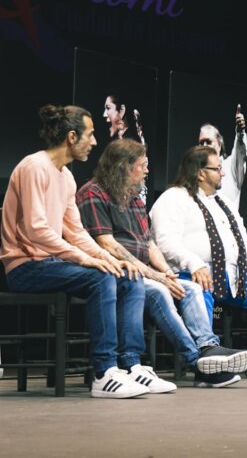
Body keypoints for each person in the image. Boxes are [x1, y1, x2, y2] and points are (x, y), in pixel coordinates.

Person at [77, 139, 247, 388]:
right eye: (143, 165)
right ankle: (198, 363)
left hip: (143, 272)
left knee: (191, 287)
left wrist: (167, 272)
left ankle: (208, 346)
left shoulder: (135, 199)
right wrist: (158, 277)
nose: (147, 170)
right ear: (123, 167)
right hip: (115, 272)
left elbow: (149, 244)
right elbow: (107, 244)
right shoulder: (93, 192)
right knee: (161, 291)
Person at [1, 105, 152, 398]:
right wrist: (85, 259)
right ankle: (103, 372)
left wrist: (107, 258)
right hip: (25, 267)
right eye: (91, 134)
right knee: (99, 278)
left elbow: (76, 231)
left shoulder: (66, 177)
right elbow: (37, 230)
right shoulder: (34, 167)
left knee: (128, 276)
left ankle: (131, 365)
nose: (95, 142)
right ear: (72, 136)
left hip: (53, 262)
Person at [150, 146, 247, 379]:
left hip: (230, 274)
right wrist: (194, 263)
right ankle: (206, 361)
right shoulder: (173, 198)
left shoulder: (223, 202)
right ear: (200, 173)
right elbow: (165, 242)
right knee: (201, 285)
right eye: (217, 169)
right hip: (193, 272)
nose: (223, 173)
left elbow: (243, 241)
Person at [198, 109, 247, 210]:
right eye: (201, 143)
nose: (204, 146)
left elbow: (240, 151)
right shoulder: (196, 173)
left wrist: (240, 132)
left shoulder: (230, 167)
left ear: (219, 145)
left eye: (208, 142)